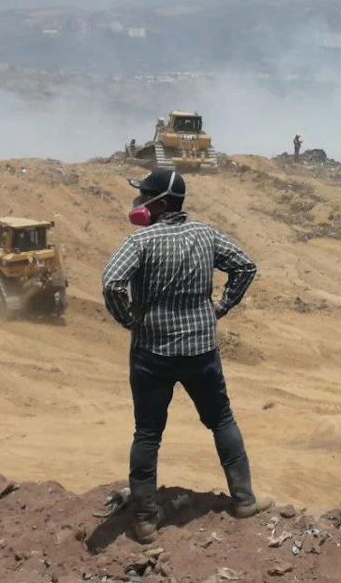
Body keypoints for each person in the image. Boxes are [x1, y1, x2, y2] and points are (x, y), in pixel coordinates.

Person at [102, 169, 272, 544]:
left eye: (143, 194)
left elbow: (111, 282)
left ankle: (145, 520)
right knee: (221, 419)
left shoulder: (140, 241)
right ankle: (244, 499)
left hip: (152, 353)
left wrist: (130, 319)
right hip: (200, 351)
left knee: (148, 432)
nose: (138, 201)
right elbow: (245, 266)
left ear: (160, 203)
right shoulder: (206, 235)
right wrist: (221, 308)